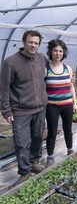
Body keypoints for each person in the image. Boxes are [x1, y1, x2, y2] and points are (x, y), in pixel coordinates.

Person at [0, 30, 48, 187]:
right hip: (20, 110)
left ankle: (34, 162)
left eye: (36, 43)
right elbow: (4, 88)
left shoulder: (42, 59)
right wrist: (6, 110)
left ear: (39, 44)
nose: (33, 45)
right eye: (30, 42)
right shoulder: (11, 62)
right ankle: (24, 172)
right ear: (24, 42)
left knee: (37, 137)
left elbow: (44, 79)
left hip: (40, 108)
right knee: (22, 142)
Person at [45, 39, 77, 167]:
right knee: (52, 131)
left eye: (60, 51)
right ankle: (50, 156)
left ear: (63, 53)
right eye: (55, 50)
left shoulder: (67, 68)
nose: (58, 53)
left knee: (68, 129)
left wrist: (74, 103)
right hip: (52, 106)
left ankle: (70, 150)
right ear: (51, 52)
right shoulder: (46, 69)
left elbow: (71, 86)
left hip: (67, 105)